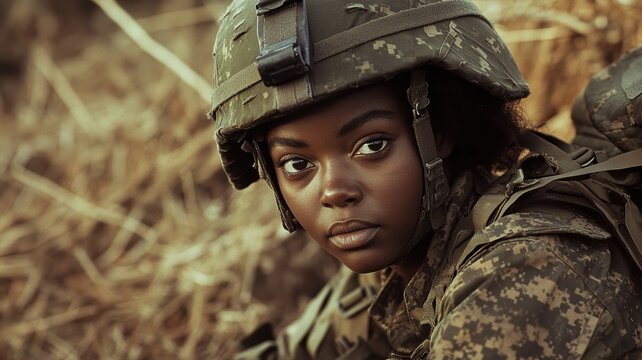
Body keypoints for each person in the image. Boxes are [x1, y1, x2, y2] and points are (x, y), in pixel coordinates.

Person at [208, 0, 642, 358]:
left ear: (441, 132)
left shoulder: (526, 275)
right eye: (297, 164)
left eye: (372, 145)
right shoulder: (397, 265)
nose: (335, 191)